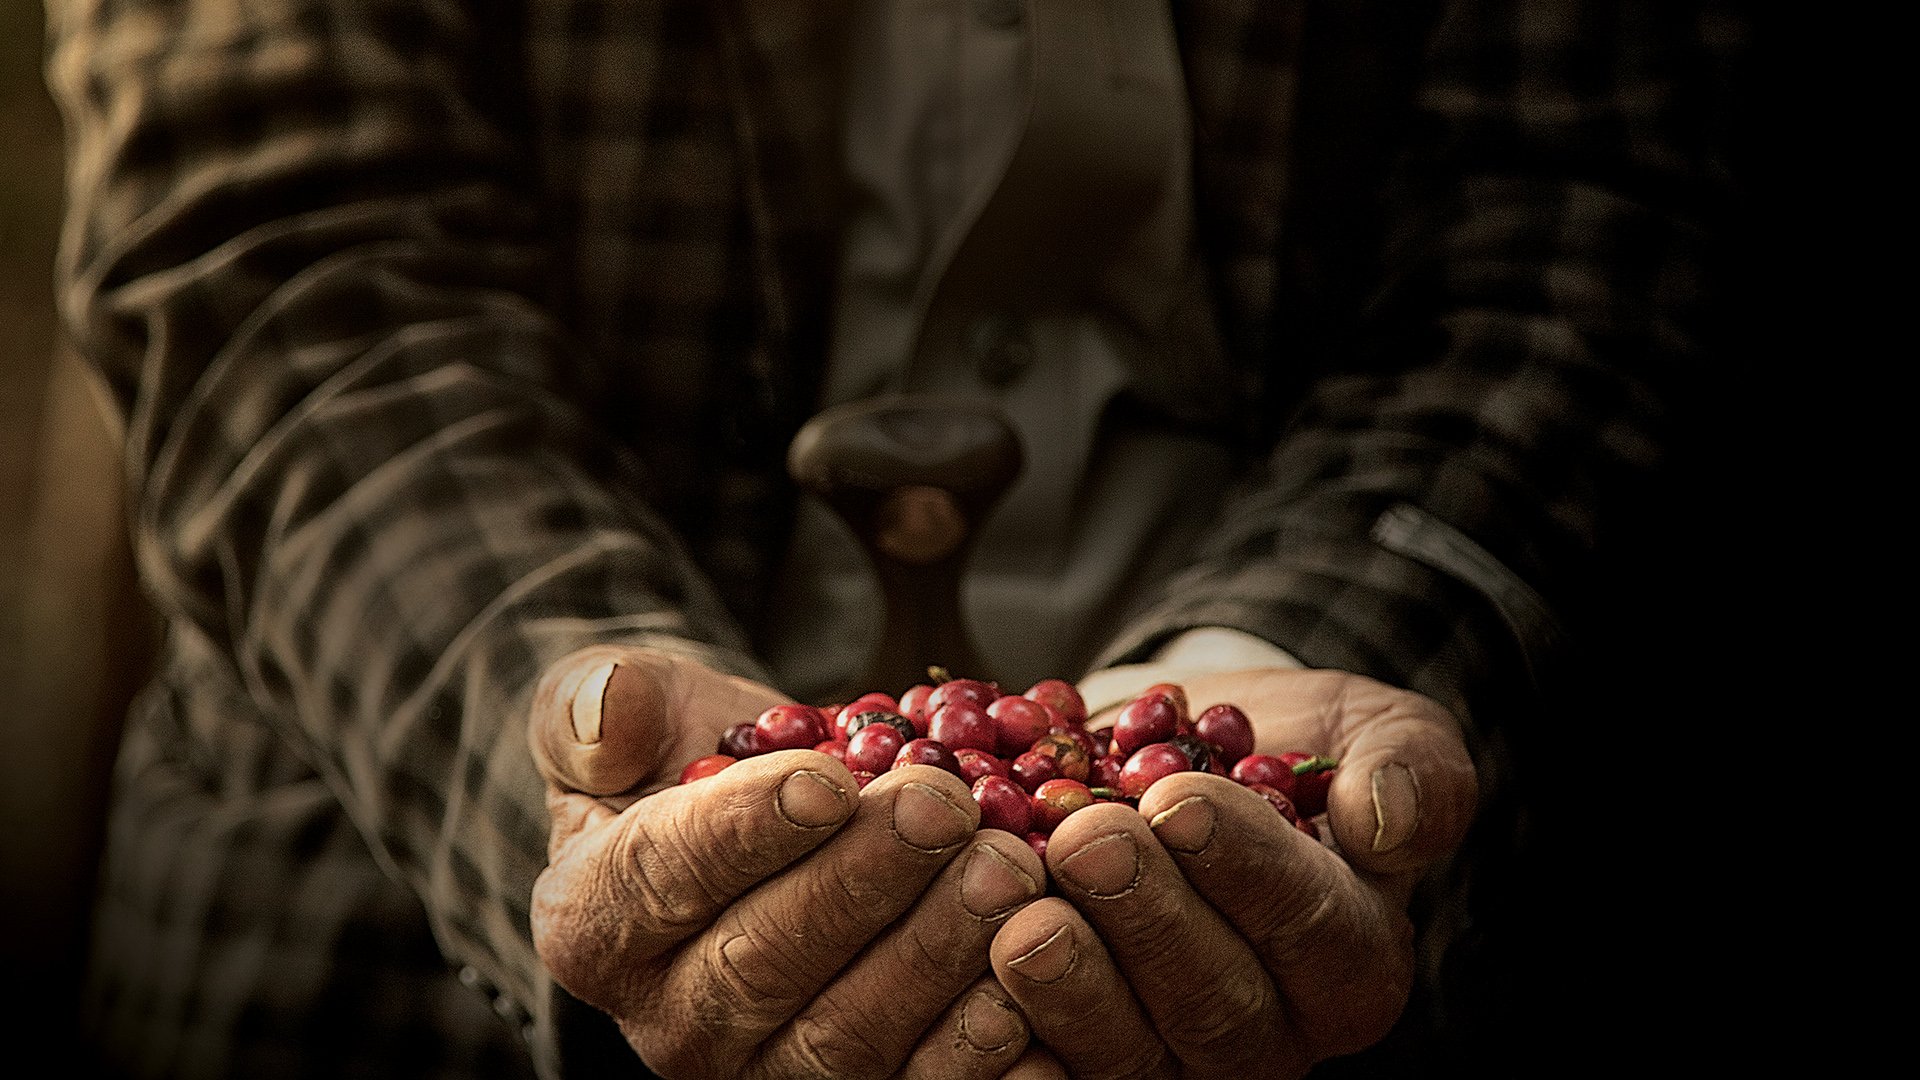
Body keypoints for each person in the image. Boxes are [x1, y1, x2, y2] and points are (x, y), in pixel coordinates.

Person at [44, 0, 1751, 1077]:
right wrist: (560, 730)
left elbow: (1584, 217)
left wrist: (1299, 652)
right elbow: (284, 263)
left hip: (1429, 958)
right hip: (374, 964)